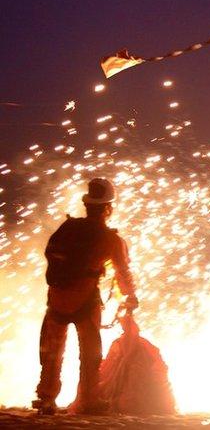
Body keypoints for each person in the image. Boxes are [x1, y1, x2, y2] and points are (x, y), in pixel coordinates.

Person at [32, 178, 139, 415]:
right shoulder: (111, 238)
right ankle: (89, 400)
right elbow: (123, 272)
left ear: (88, 205)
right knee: (90, 352)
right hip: (85, 299)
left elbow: (50, 253)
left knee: (52, 351)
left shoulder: (67, 228)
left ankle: (46, 398)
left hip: (57, 296)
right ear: (108, 208)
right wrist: (131, 296)